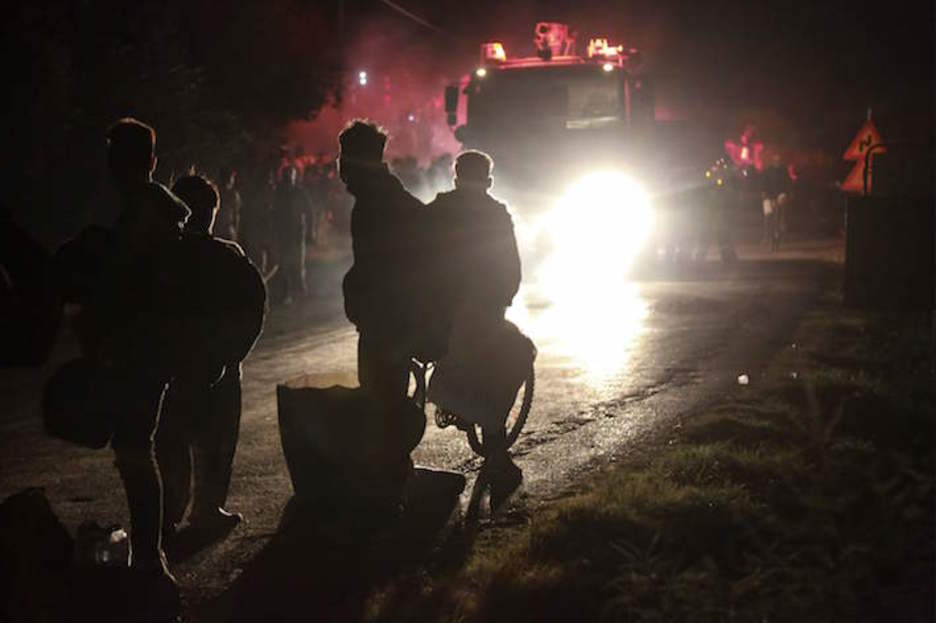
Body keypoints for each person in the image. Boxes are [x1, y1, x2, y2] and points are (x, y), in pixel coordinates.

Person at [55, 118, 189, 615]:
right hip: (153, 348)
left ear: (116, 163)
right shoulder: (159, 212)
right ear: (152, 161)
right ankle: (149, 556)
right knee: (136, 447)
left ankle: (151, 561)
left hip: (139, 348)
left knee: (135, 449)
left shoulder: (138, 216)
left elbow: (118, 286)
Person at [156, 174, 266, 545]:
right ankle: (206, 508)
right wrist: (231, 355)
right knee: (216, 440)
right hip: (218, 368)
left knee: (171, 441)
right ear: (213, 213)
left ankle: (166, 513)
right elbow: (253, 308)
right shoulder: (228, 256)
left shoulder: (160, 257)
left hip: (169, 368)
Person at [426, 150, 523, 493]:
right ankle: (495, 448)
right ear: (488, 181)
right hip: (482, 312)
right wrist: (503, 300)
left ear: (455, 178)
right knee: (518, 355)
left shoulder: (436, 210)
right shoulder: (496, 215)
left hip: (438, 313)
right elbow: (510, 267)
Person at [339, 120, 426, 402]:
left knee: (381, 395)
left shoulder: (377, 201)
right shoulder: (386, 193)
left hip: (387, 316)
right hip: (387, 313)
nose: (339, 164)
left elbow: (375, 266)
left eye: (343, 155)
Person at [271, 165, 310, 304]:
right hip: (284, 234)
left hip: (297, 234)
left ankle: (300, 293)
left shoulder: (300, 193)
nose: (289, 178)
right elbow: (274, 213)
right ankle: (286, 293)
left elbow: (309, 212)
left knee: (298, 265)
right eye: (287, 175)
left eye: (291, 175)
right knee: (284, 266)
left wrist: (310, 231)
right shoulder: (279, 193)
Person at [215, 167, 241, 242]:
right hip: (219, 229)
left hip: (227, 229)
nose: (231, 179)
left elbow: (236, 213)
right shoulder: (217, 191)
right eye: (231, 177)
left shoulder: (234, 195)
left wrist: (235, 230)